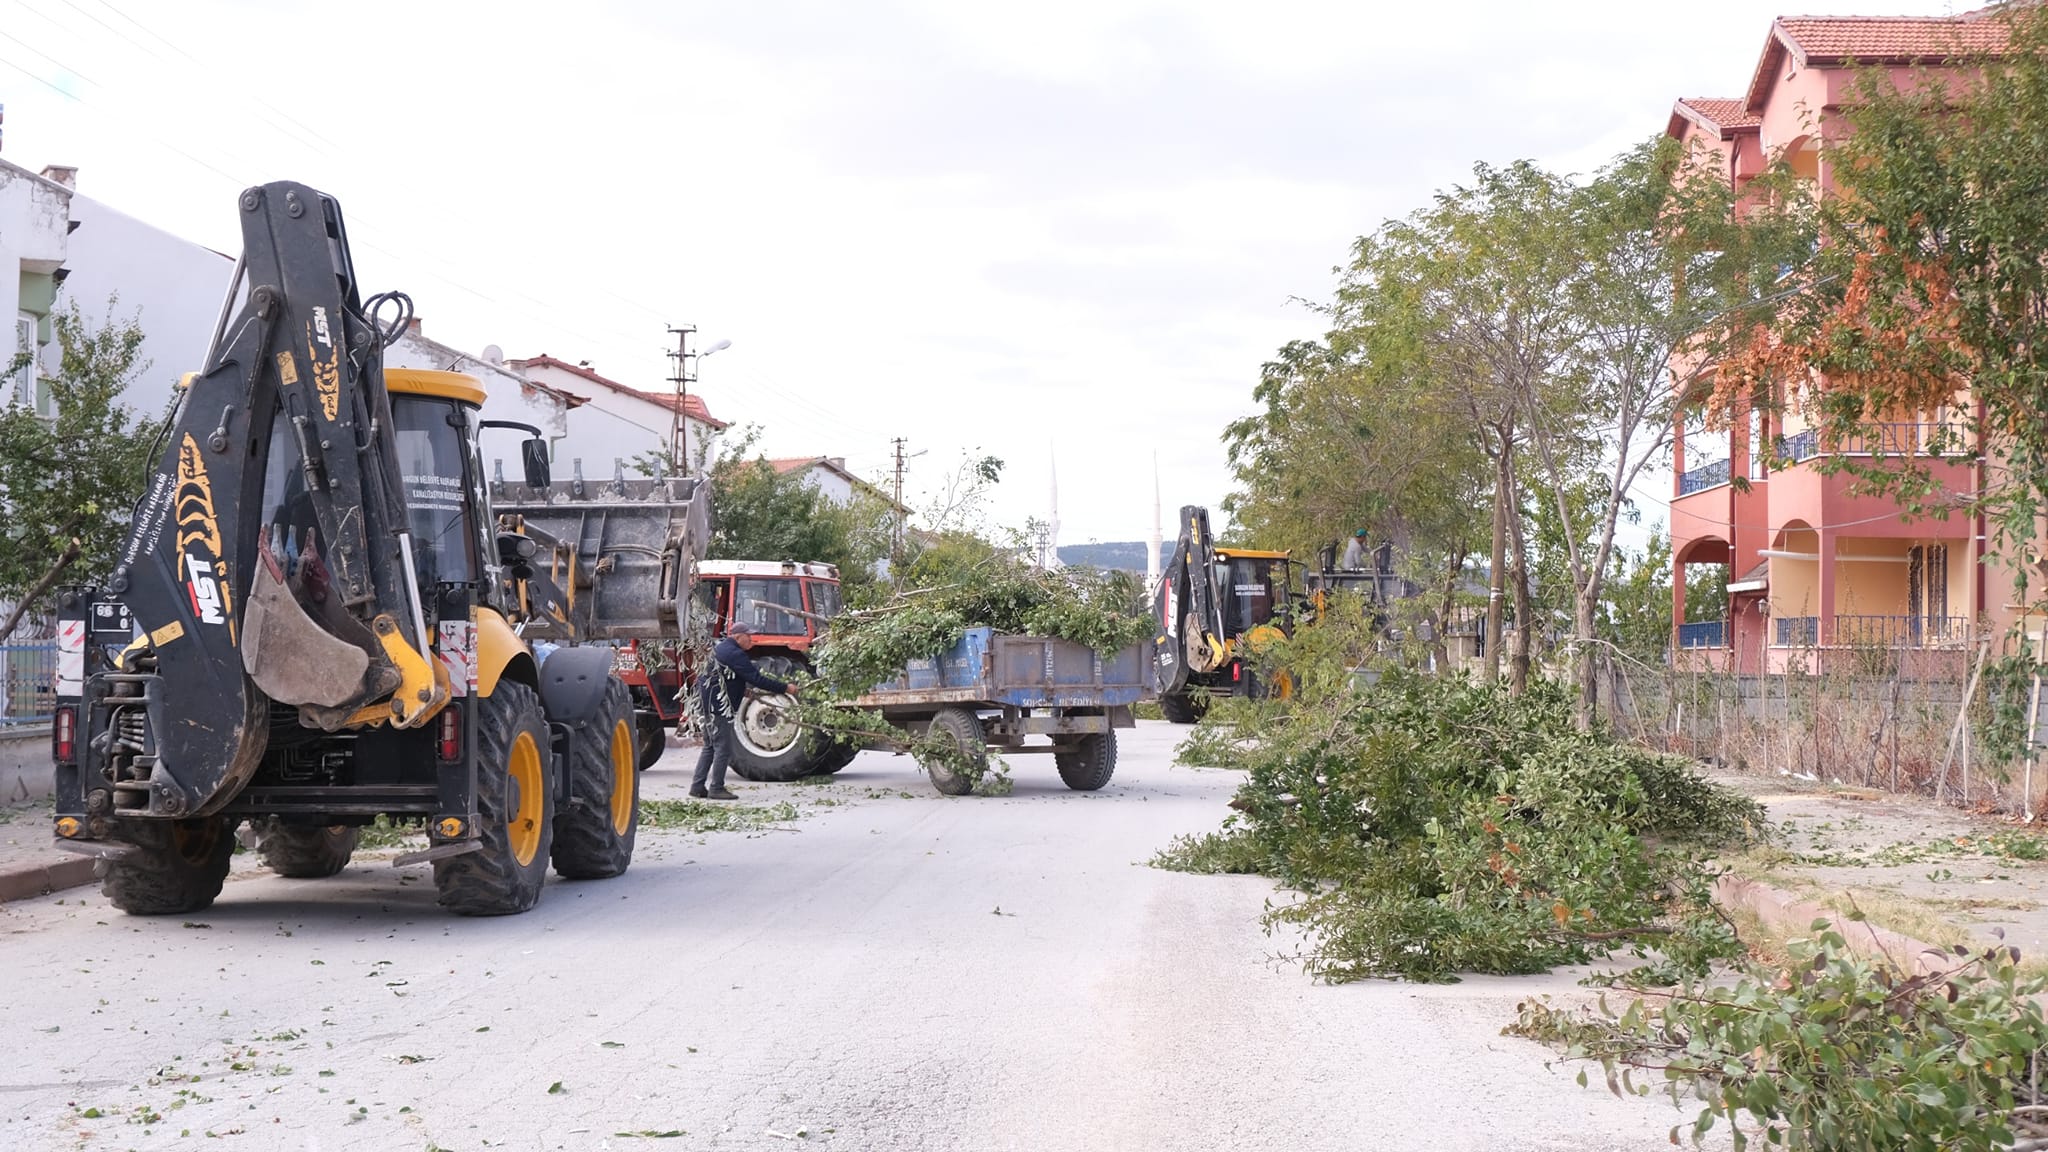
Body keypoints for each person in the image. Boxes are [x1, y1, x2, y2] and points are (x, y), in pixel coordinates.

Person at [691, 621, 797, 801]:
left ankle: (697, 786)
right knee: (722, 748)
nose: (751, 640)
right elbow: (756, 679)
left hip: (707, 704)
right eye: (749, 636)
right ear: (738, 636)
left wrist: (742, 690)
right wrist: (786, 688)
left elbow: (724, 677)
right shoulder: (735, 653)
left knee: (710, 746)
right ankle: (716, 788)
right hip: (718, 708)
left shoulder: (722, 649)